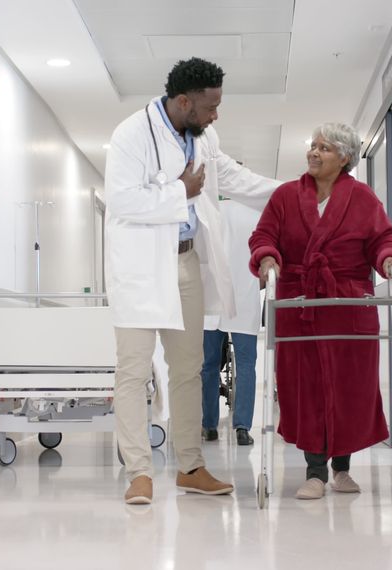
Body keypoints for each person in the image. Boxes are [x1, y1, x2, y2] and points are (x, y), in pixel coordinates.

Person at [104, 57, 279, 505]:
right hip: (141, 269)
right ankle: (139, 473)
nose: (216, 114)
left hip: (185, 264)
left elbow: (231, 176)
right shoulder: (131, 134)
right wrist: (179, 191)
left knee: (188, 369)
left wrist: (288, 190)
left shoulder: (204, 136)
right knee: (134, 372)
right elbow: (122, 202)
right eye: (210, 106)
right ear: (184, 101)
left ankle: (190, 466)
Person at [249, 122, 392, 500]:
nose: (314, 153)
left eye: (324, 148)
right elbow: (263, 236)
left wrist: (389, 260)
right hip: (300, 304)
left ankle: (343, 469)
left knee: (350, 387)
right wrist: (267, 258)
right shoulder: (286, 196)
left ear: (345, 158)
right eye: (313, 146)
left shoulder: (364, 198)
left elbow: (383, 238)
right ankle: (315, 472)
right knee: (305, 389)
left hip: (347, 303)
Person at [200, 199, 264, 446]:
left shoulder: (205, 209)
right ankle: (242, 428)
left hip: (210, 295)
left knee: (209, 365)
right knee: (247, 364)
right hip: (243, 298)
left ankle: (208, 426)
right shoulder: (256, 212)